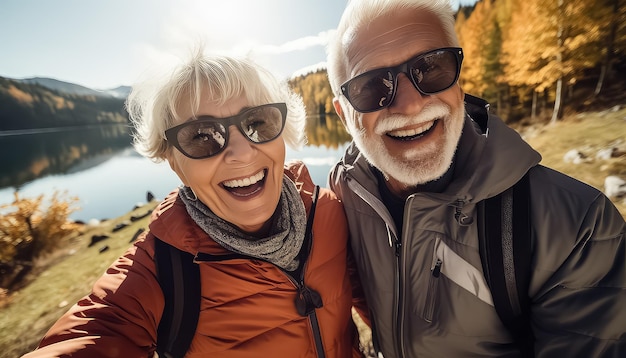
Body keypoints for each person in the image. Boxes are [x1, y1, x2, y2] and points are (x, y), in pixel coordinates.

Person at [325, 0, 626, 357]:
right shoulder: (343, 198)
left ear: (459, 80)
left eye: (431, 68)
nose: (409, 105)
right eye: (371, 86)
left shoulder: (577, 227)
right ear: (345, 116)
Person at [23, 49, 367, 357]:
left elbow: (382, 302)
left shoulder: (330, 212)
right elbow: (97, 331)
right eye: (202, 135)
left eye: (257, 123)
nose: (241, 153)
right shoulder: (163, 268)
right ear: (173, 161)